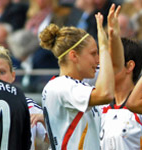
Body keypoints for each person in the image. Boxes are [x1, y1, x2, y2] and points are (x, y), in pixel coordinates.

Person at [38, 5, 124, 149]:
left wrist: (114, 37)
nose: (98, 60)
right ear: (74, 56)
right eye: (93, 53)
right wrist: (103, 46)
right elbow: (105, 94)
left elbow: (115, 67)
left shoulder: (77, 82)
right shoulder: (61, 86)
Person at [0, 44, 49, 150]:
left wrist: (44, 120)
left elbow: (54, 140)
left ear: (13, 76)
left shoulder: (29, 106)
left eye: (2, 72)